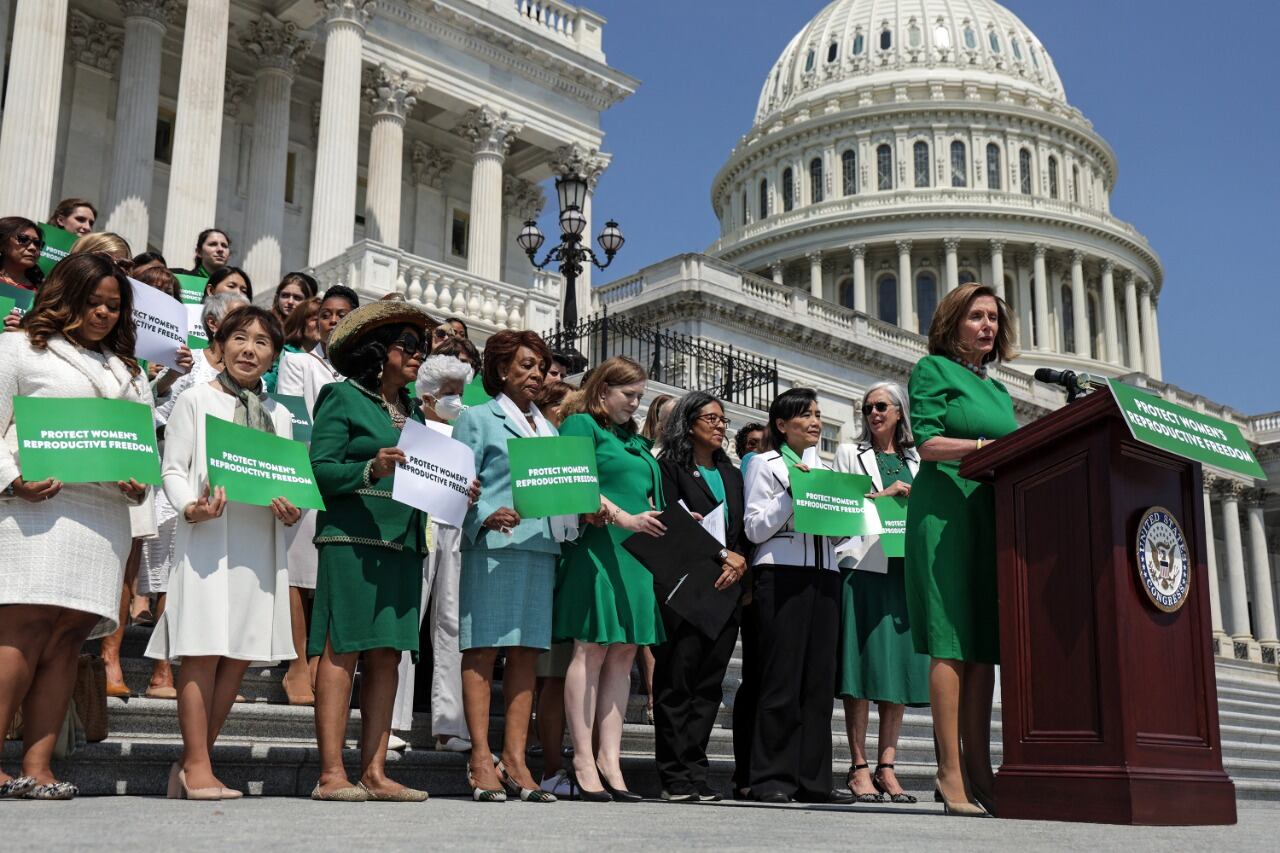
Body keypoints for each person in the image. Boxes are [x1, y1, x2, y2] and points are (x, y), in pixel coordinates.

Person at [0, 253, 150, 800]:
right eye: (94, 302)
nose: (104, 314)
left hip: (102, 515)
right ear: (66, 296)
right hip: (36, 509)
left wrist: (140, 485)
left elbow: (140, 446)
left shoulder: (128, 370)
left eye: (114, 305)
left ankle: (37, 768)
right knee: (23, 631)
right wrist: (12, 477)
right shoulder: (19, 348)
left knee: (67, 640)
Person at [144, 306, 299, 800]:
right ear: (221, 342)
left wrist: (291, 509)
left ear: (274, 355)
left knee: (235, 656)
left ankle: (193, 764)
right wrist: (191, 507)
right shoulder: (195, 398)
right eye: (239, 338)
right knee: (201, 649)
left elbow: (289, 479)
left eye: (261, 342)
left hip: (258, 540)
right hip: (208, 538)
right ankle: (196, 765)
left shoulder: (279, 415)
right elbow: (173, 468)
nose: (248, 349)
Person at [307, 301, 438, 802]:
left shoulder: (415, 412)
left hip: (404, 541)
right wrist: (370, 469)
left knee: (389, 657)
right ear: (379, 352)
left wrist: (454, 488)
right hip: (351, 539)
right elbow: (320, 470)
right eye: (408, 347)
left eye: (421, 349)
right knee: (344, 652)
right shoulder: (341, 396)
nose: (418, 356)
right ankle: (331, 774)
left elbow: (426, 477)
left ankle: (376, 772)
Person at [904, 282, 1018, 817]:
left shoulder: (998, 391)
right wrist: (985, 447)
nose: (987, 326)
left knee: (981, 647)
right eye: (976, 316)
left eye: (993, 318)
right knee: (951, 642)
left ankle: (982, 769)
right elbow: (926, 442)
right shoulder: (932, 370)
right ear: (953, 322)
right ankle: (949, 770)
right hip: (944, 509)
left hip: (987, 515)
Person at [453, 330, 568, 803]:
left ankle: (516, 759)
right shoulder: (476, 419)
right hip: (492, 548)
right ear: (501, 369)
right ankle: (480, 758)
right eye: (526, 365)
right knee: (482, 650)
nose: (536, 375)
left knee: (525, 654)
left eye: (540, 367)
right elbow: (455, 486)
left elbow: (562, 490)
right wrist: (482, 515)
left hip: (541, 546)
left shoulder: (550, 429)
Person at [552, 356, 667, 801]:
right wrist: (626, 519)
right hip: (598, 545)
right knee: (591, 649)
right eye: (629, 395)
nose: (636, 405)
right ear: (602, 391)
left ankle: (610, 760)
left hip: (637, 552)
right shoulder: (582, 425)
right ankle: (582, 758)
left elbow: (646, 491)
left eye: (640, 396)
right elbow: (578, 481)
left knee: (624, 653)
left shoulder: (633, 440)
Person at [742, 388, 852, 805]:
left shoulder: (822, 468)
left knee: (819, 683)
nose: (815, 422)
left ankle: (815, 780)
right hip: (780, 573)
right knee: (781, 678)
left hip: (825, 575)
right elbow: (754, 529)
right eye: (805, 415)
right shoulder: (765, 465)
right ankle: (772, 777)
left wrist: (848, 515)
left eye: (818, 415)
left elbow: (836, 533)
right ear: (781, 424)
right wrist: (793, 495)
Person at [832, 382, 929, 805]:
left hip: (906, 571)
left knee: (897, 668)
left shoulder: (917, 459)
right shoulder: (849, 454)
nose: (873, 413)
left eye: (881, 406)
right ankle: (858, 766)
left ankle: (887, 765)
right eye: (867, 407)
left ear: (899, 413)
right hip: (866, 566)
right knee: (863, 666)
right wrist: (885, 495)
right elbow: (839, 506)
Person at [654, 391, 749, 802]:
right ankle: (674, 775)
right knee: (678, 680)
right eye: (711, 418)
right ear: (689, 423)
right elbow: (672, 520)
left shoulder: (732, 473)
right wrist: (721, 555)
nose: (720, 425)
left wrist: (737, 560)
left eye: (724, 419)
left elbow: (741, 528)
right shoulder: (670, 467)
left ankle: (696, 770)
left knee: (709, 685)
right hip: (686, 585)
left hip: (727, 588)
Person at [387, 354, 476, 755]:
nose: (456, 400)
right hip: (418, 525)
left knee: (453, 625)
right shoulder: (411, 425)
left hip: (456, 528)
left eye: (459, 393)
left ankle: (449, 726)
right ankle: (389, 721)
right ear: (426, 397)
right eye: (449, 394)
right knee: (407, 621)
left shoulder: (468, 431)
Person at [275, 284, 358, 705]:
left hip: (347, 481)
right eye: (326, 314)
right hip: (307, 472)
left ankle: (316, 662)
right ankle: (294, 664)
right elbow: (294, 422)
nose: (332, 321)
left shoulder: (363, 373)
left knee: (327, 575)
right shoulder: (298, 363)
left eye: (341, 314)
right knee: (295, 571)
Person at [530, 378, 575, 796]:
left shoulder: (572, 449)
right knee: (552, 675)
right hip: (543, 565)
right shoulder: (541, 445)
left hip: (571, 567)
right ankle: (551, 766)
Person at [263, 273, 318, 392]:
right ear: (277, 298)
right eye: (285, 295)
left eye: (297, 297)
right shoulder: (264, 324)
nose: (290, 302)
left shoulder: (311, 331)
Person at [0, 216, 45, 302]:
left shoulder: (42, 292)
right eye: (23, 239)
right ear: (2, 244)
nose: (33, 248)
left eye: (37, 243)